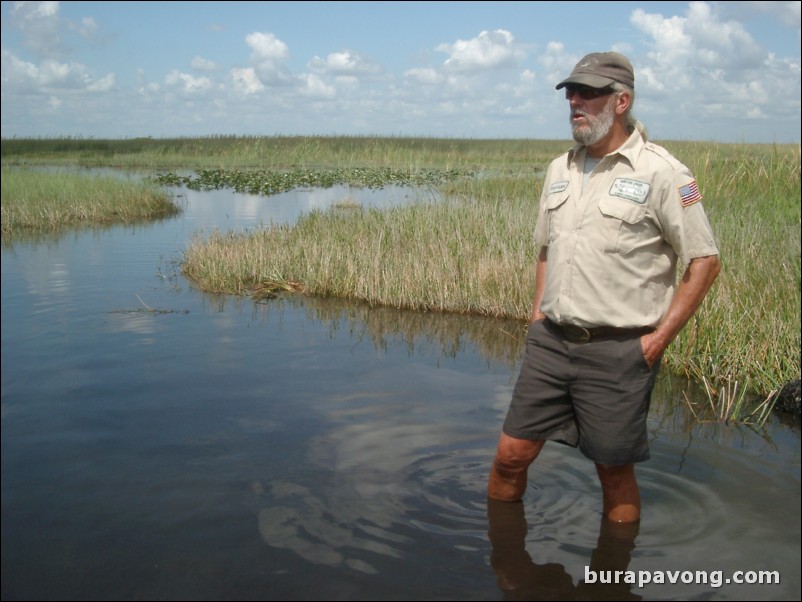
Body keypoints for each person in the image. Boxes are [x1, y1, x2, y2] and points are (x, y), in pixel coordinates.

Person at [487, 51, 721, 523]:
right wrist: (537, 319)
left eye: (588, 93)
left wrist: (655, 342)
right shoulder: (560, 169)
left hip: (620, 351)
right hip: (550, 344)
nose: (575, 102)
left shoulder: (663, 172)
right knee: (510, 457)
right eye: (572, 93)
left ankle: (609, 586)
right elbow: (546, 250)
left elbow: (705, 261)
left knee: (613, 474)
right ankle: (503, 568)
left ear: (621, 101)